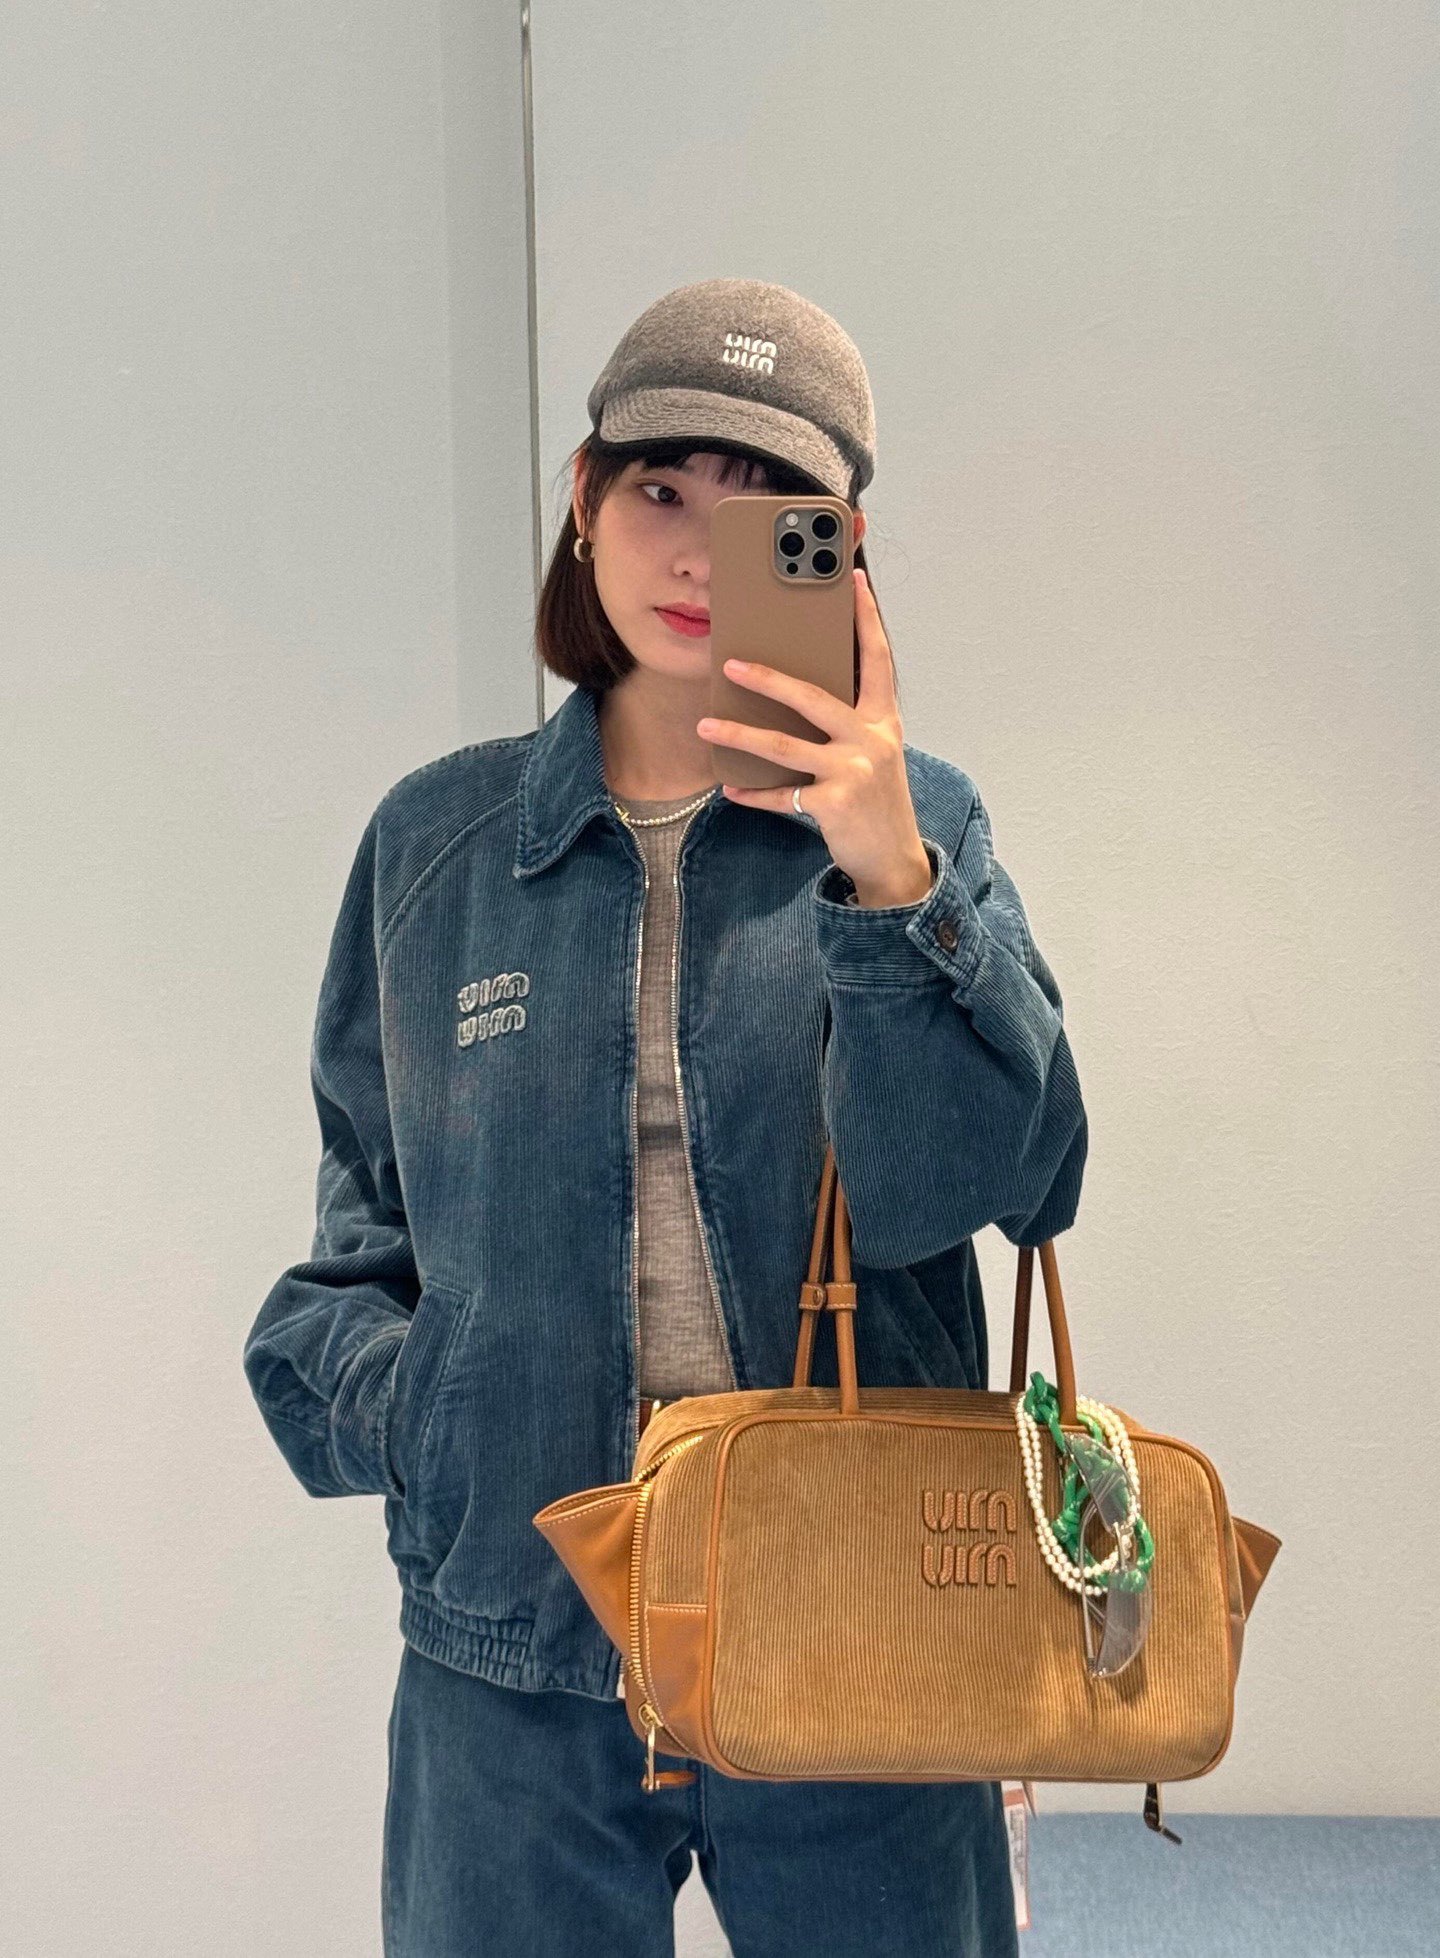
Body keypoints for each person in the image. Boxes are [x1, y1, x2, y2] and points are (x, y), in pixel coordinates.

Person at [243, 277, 1087, 1956]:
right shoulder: (435, 851)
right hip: (514, 1653)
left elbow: (1007, 1183)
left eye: (769, 510)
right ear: (583, 497)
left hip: (864, 1644)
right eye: (661, 487)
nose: (700, 551)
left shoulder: (920, 829)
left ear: (845, 553)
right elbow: (364, 1234)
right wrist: (427, 1415)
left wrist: (891, 879)